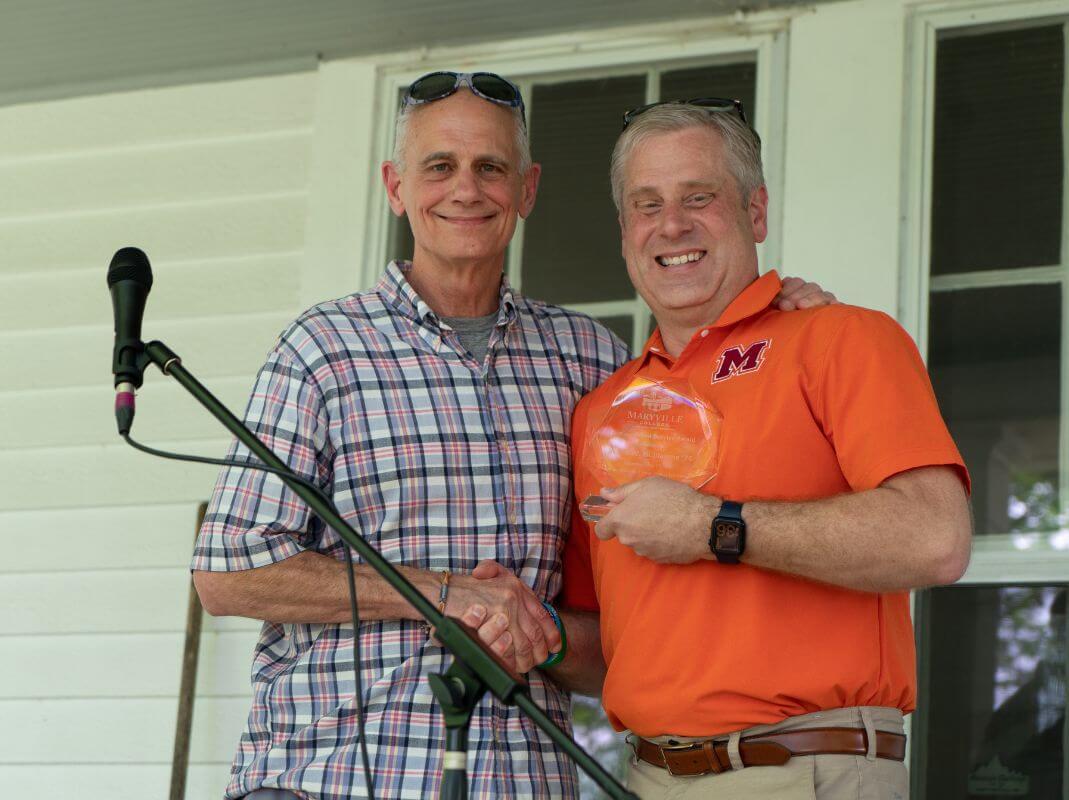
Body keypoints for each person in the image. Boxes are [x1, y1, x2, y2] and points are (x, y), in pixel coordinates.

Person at [191, 72, 832, 800]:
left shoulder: (591, 362)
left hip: (523, 778)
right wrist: (445, 594)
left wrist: (771, 313)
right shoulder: (322, 349)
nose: (466, 189)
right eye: (440, 166)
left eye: (491, 167)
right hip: (331, 776)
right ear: (396, 187)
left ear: (526, 190)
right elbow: (227, 572)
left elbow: (635, 617)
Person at [559, 100, 973, 799]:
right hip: (647, 775)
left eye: (699, 197)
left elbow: (936, 538)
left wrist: (712, 527)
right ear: (626, 232)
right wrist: (514, 624)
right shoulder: (603, 410)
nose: (672, 225)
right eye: (647, 204)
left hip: (801, 766)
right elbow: (607, 652)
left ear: (755, 212)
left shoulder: (839, 339)